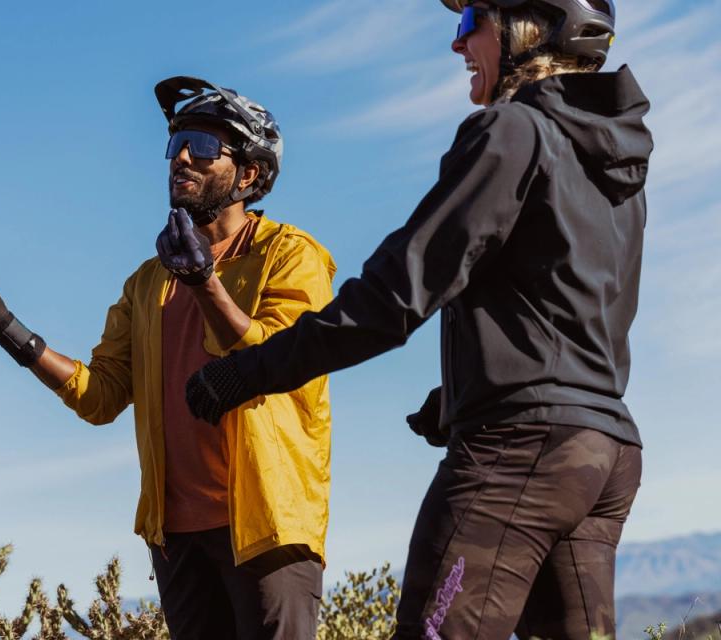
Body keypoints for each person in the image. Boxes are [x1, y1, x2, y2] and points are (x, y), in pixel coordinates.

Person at [184, 1, 652, 638]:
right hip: (603, 451)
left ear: (531, 27)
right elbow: (569, 309)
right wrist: (458, 394)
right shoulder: (613, 164)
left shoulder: (511, 132)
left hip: (520, 450)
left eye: (471, 22)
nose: (458, 45)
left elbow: (393, 295)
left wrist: (247, 373)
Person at [0, 76, 336, 640]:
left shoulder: (291, 255)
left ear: (249, 174)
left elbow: (279, 361)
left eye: (203, 146)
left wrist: (202, 281)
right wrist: (5, 327)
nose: (181, 156)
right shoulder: (148, 282)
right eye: (176, 143)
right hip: (176, 536)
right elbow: (101, 396)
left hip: (268, 527)